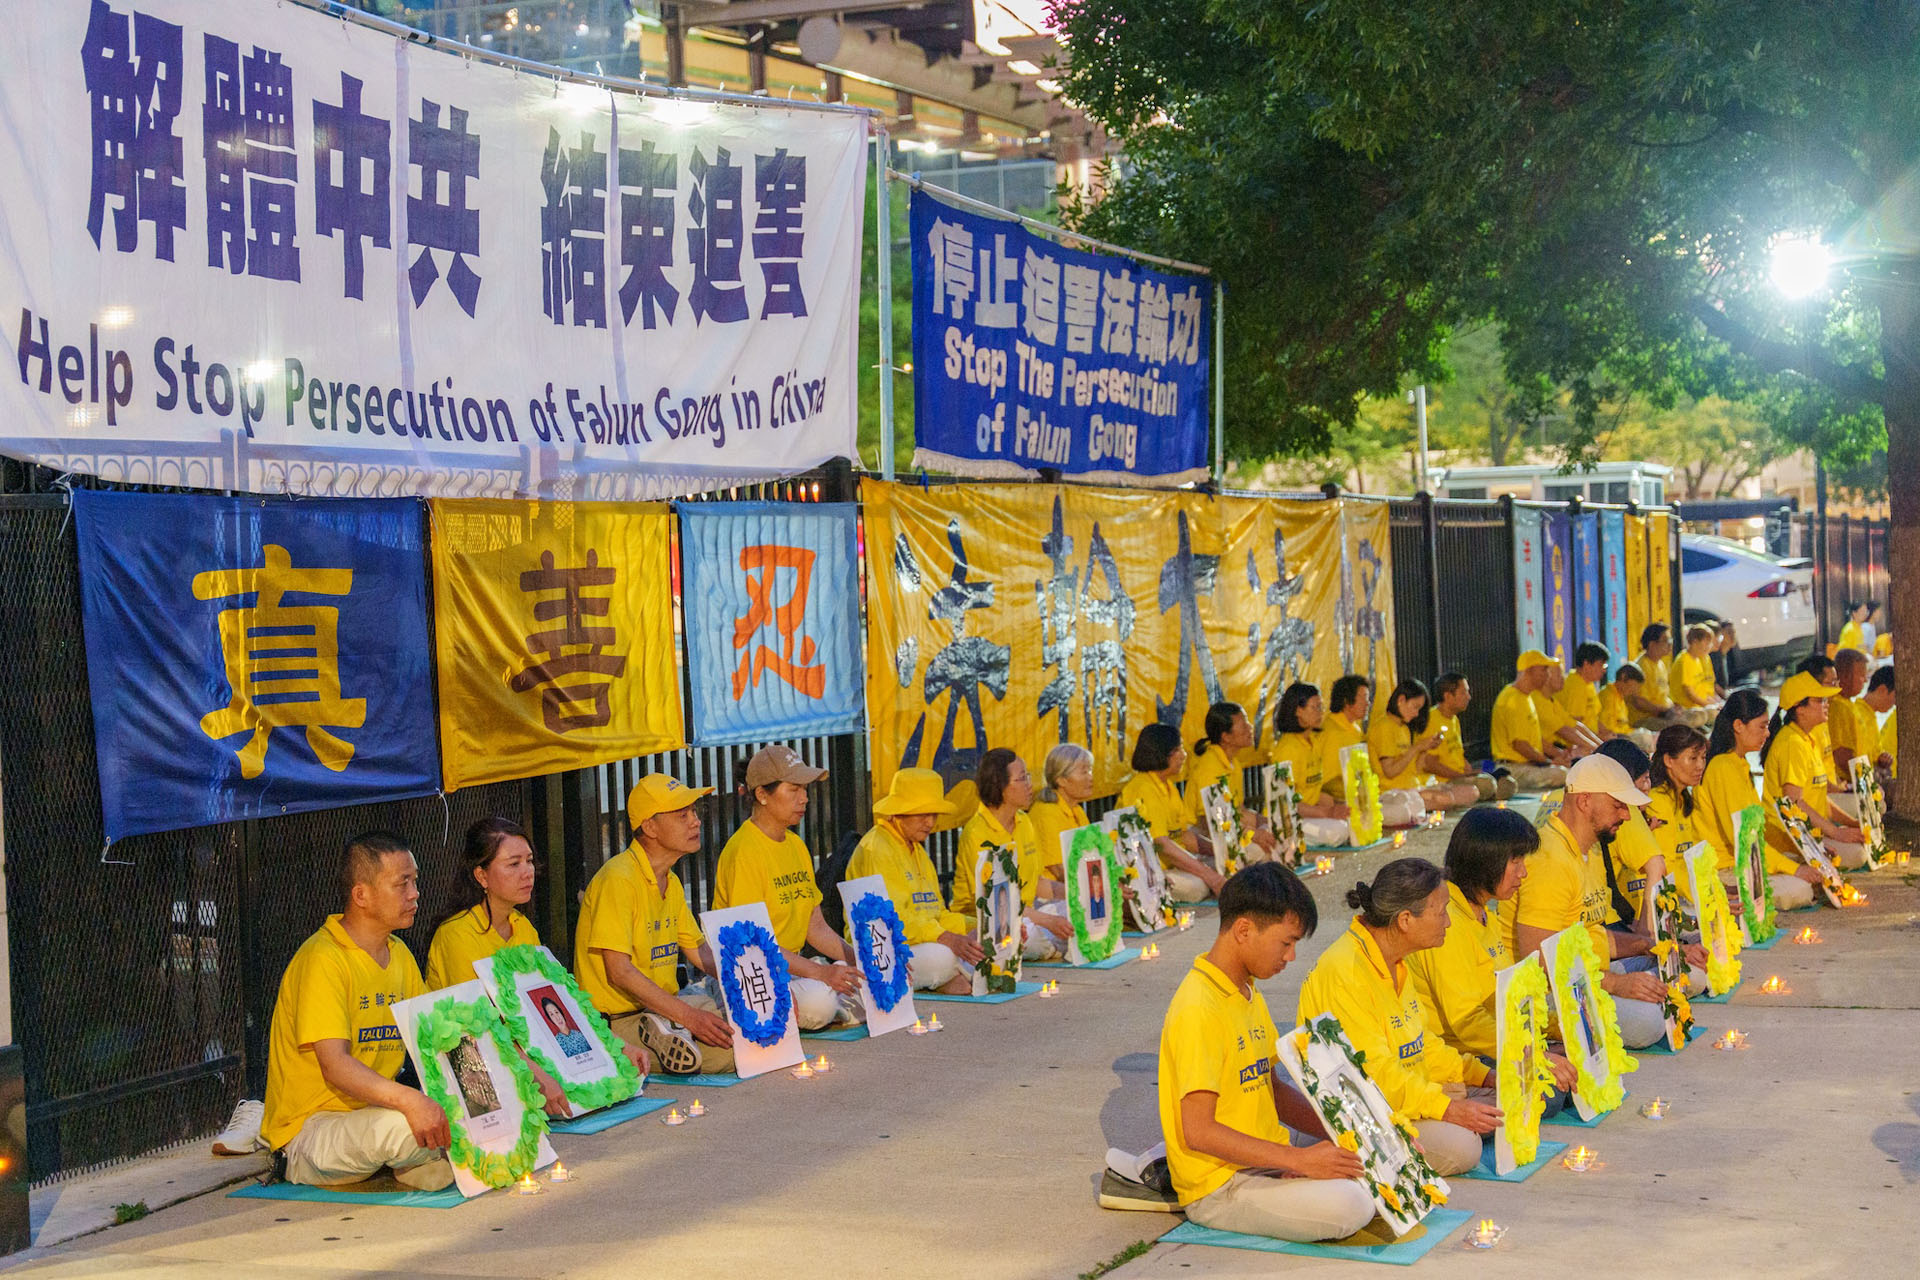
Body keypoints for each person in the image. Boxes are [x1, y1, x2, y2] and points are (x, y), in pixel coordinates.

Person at [1148, 862, 1374, 1241]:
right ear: (1244, 930)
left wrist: (1347, 1135)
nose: (1291, 956)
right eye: (1286, 943)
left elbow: (1273, 1091)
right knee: (1353, 1204)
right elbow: (1199, 1132)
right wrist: (1300, 1159)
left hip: (1266, 1165)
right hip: (1221, 1184)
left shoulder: (1247, 990)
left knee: (1375, 1175)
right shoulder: (1199, 1006)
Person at [261, 831, 452, 1190]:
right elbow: (335, 1065)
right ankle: (414, 1156)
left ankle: (414, 1158)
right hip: (311, 1131)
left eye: (415, 881)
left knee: (458, 1117)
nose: (414, 893)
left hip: (370, 1117)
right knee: (409, 1125)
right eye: (402, 883)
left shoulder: (399, 954)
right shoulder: (323, 958)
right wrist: (411, 1101)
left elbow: (435, 1034)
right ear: (361, 895)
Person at [1296, 858, 1498, 1176]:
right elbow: (1374, 1074)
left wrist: (1482, 1075)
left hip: (1406, 1093)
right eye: (1441, 912)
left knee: (1508, 1102)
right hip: (1365, 1110)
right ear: (1405, 919)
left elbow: (1420, 1043)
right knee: (1464, 1147)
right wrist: (1448, 1109)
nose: (1448, 922)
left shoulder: (1396, 959)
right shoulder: (1347, 971)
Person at [426, 816, 644, 1110]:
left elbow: (555, 1007)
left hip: (525, 1051)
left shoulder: (522, 926)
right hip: (475, 1060)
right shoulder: (456, 934)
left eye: (529, 861)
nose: (527, 872)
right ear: (482, 876)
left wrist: (616, 1047)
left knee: (608, 1088)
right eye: (513, 864)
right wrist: (536, 1074)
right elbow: (480, 1029)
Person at [1404, 809, 1577, 1106]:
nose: (1523, 873)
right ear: (1486, 860)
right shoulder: (1447, 922)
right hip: (1462, 1054)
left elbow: (1506, 1000)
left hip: (1495, 1041)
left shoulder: (1484, 914)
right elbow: (1467, 1022)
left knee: (1579, 1060)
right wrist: (1534, 1053)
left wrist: (1559, 1026)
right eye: (1516, 862)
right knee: (1550, 1093)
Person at [575, 774, 734, 1076]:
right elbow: (619, 971)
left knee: (731, 1023)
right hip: (615, 1021)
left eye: (694, 812)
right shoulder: (619, 878)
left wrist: (761, 990)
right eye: (682, 815)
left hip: (658, 1007)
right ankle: (661, 1034)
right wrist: (689, 1016)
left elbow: (701, 952)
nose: (696, 822)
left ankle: (671, 1028)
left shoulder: (670, 881)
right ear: (649, 827)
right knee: (734, 1051)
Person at [1507, 755, 1669, 1050]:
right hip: (1549, 991)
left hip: (1587, 974)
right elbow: (1540, 959)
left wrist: (1648, 945)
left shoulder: (1590, 849)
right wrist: (1617, 984)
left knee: (1676, 971)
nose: (1627, 816)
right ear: (1584, 801)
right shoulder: (1550, 858)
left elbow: (1590, 934)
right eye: (1618, 805)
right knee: (1649, 1022)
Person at [712, 746, 866, 1031]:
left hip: (791, 969)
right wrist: (820, 972)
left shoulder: (796, 845)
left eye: (804, 789)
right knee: (820, 1002)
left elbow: (815, 926)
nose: (804, 798)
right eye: (794, 789)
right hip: (753, 973)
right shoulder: (744, 851)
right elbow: (752, 946)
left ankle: (829, 999)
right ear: (762, 795)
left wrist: (861, 958)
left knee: (868, 979)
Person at [846, 767, 981, 994]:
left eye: (934, 814)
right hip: (881, 951)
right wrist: (946, 937)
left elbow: (937, 913)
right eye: (922, 814)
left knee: (987, 942)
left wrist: (978, 927)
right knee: (944, 956)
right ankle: (948, 977)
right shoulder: (878, 848)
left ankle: (948, 978)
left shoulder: (916, 850)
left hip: (919, 944)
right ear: (898, 813)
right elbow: (891, 919)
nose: (930, 822)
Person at [1699, 689, 1820, 911]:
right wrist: (1794, 870)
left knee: (1806, 866)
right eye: (1762, 726)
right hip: (1727, 869)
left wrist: (1803, 855)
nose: (1767, 733)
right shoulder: (1723, 767)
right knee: (1801, 888)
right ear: (1738, 726)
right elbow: (1743, 839)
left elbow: (1755, 831)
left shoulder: (1738, 764)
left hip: (1746, 859)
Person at [950, 748, 1072, 961]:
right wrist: (1048, 921)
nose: (1029, 785)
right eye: (1022, 778)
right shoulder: (976, 833)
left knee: (1079, 910)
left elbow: (1037, 883)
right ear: (1000, 786)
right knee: (1027, 935)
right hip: (989, 919)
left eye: (1028, 777)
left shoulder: (1024, 821)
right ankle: (1052, 947)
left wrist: (1077, 892)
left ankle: (1052, 944)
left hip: (1029, 914)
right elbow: (995, 903)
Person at [1761, 671, 1869, 869]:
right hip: (1787, 835)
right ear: (1800, 709)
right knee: (1858, 854)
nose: (1826, 704)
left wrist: (1853, 823)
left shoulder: (1806, 739)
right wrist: (1836, 832)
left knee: (1862, 845)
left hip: (1809, 830)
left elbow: (1820, 799)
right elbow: (1794, 802)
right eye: (1820, 700)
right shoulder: (1792, 743)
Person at [1119, 723, 1226, 901]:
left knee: (1222, 865)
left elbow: (1184, 836)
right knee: (1198, 886)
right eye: (1177, 750)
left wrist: (1221, 850)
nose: (1183, 755)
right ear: (1159, 753)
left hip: (1173, 866)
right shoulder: (1144, 788)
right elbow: (1162, 845)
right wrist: (1209, 875)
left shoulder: (1167, 785)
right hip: (1149, 871)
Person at [1368, 677, 1479, 815]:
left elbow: (1416, 769)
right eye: (1415, 707)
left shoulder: (1404, 728)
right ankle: (1416, 807)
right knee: (1444, 799)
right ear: (1401, 700)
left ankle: (1421, 806)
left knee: (1472, 792)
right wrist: (1417, 748)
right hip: (1393, 792)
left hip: (1414, 787)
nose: (1416, 714)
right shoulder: (1384, 727)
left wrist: (1426, 749)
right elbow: (1390, 772)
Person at [1188, 701, 1280, 856]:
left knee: (1275, 834)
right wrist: (1252, 835)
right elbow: (1208, 822)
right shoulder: (1209, 766)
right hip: (1203, 838)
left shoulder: (1234, 763)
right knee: (1260, 850)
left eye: (1248, 723)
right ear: (1226, 737)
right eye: (1243, 726)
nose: (1250, 728)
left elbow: (1238, 811)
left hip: (1230, 831)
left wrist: (1267, 823)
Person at [1272, 682, 1357, 844]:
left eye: (1321, 707)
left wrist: (1341, 806)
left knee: (1355, 818)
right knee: (1338, 830)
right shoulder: (1287, 749)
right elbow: (1287, 803)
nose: (1320, 713)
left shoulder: (1314, 741)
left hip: (1311, 814)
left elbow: (1314, 793)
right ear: (1298, 711)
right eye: (1315, 707)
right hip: (1288, 820)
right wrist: (1327, 813)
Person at [1491, 650, 1569, 790]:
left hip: (1528, 766)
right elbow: (1520, 745)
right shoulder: (1512, 699)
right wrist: (1549, 762)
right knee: (1563, 774)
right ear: (1528, 671)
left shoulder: (1526, 697)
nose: (1548, 675)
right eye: (1544, 669)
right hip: (1514, 768)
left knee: (1568, 770)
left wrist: (1561, 755)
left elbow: (1536, 740)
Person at [1426, 672, 1508, 801]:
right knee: (1487, 785)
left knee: (1507, 784)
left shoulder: (1454, 719)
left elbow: (1456, 753)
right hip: (1444, 781)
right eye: (1464, 693)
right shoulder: (1431, 720)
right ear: (1447, 696)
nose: (1469, 697)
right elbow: (1430, 763)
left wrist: (1470, 771)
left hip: (1460, 776)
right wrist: (1462, 775)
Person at [1030, 743, 1096, 882]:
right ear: (1061, 780)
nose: (1090, 777)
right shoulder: (1046, 813)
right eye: (1084, 772)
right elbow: (1062, 873)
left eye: (1090, 771)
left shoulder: (1077, 810)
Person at [1828, 648, 1878, 808]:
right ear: (1844, 676)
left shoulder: (1849, 704)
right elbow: (1842, 754)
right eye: (1861, 675)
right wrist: (1864, 783)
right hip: (1848, 783)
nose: (1865, 680)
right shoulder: (1838, 707)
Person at [1314, 675, 1371, 804]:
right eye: (1363, 698)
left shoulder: (1355, 728)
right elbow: (1328, 783)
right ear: (1347, 702)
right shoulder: (1332, 732)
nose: (1367, 703)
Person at [1534, 661, 1600, 757]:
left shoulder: (1551, 700)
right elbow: (1564, 731)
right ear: (1546, 677)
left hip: (1559, 750)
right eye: (1559, 675)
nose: (1563, 679)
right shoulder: (1537, 699)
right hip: (1547, 755)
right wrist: (1597, 749)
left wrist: (1600, 746)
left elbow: (1574, 725)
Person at [1629, 624, 1678, 728]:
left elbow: (1663, 696)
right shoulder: (1641, 667)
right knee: (1681, 726)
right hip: (1644, 720)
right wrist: (1664, 711)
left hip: (1663, 715)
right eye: (1666, 641)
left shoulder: (1661, 664)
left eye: (1670, 640)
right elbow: (1639, 702)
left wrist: (1673, 707)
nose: (1670, 645)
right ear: (1651, 644)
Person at [1671, 624, 1724, 718]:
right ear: (1695, 642)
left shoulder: (1697, 659)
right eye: (1707, 643)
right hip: (1686, 709)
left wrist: (1716, 704)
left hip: (1700, 707)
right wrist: (1711, 706)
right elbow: (1690, 694)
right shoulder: (1684, 660)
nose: (1709, 646)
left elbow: (1703, 690)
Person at [1558, 644, 1610, 737]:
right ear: (1586, 664)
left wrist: (1607, 733)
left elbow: (1593, 718)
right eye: (1601, 665)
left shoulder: (1588, 684)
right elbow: (1575, 726)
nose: (1604, 670)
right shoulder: (1575, 686)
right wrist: (1599, 740)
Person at [1863, 666, 1897, 786]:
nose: (1894, 704)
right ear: (1882, 690)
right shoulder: (1858, 715)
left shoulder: (1871, 716)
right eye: (1895, 697)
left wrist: (1882, 759)